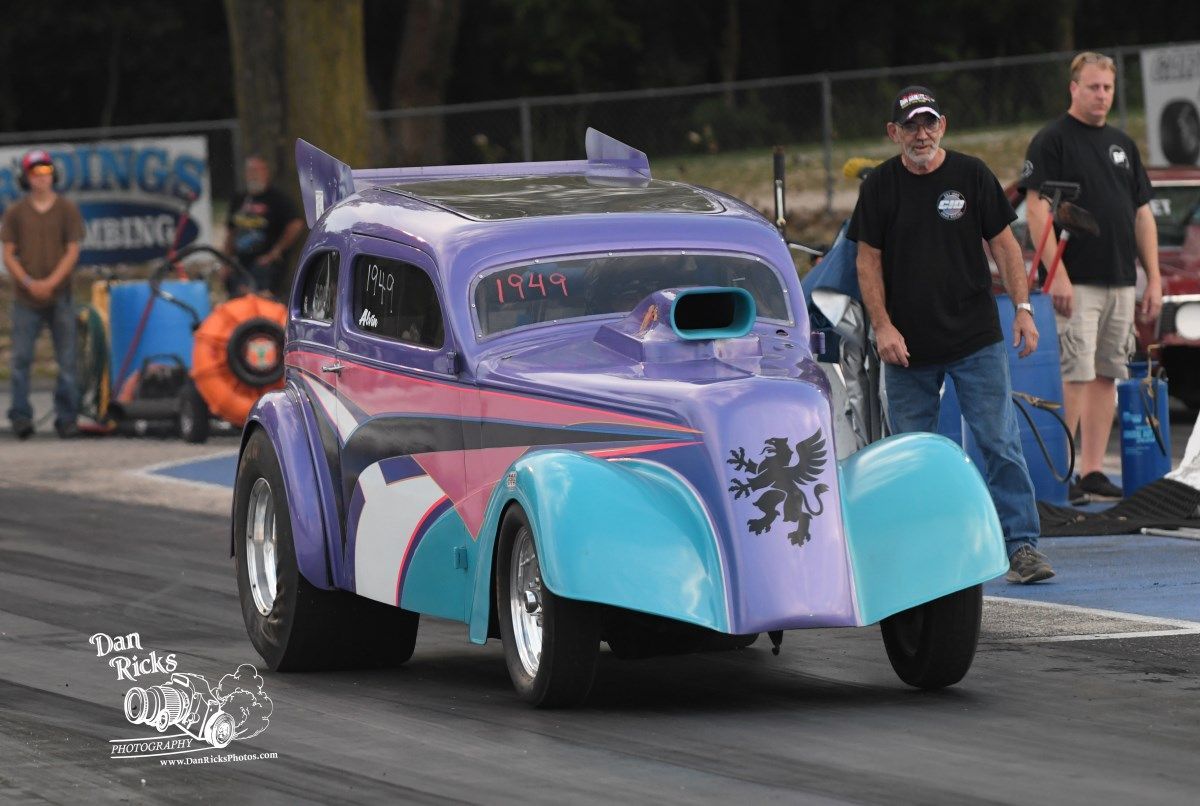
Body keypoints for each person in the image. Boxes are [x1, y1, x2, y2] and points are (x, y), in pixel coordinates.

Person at [849, 86, 1053, 584]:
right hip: (907, 348)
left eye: (930, 123)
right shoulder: (879, 186)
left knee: (999, 441)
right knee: (911, 453)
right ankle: (919, 551)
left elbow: (1005, 246)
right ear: (893, 132)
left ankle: (1021, 546)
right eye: (911, 126)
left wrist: (1023, 308)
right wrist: (882, 327)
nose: (922, 134)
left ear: (943, 125)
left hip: (975, 339)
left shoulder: (972, 174)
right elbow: (866, 260)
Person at [1020, 52, 1162, 501]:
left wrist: (1153, 278)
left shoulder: (1123, 143)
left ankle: (1093, 471)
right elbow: (1036, 208)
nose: (1102, 95)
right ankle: (1061, 474)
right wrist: (1054, 273)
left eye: (1108, 88)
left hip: (1120, 279)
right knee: (1074, 373)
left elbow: (1142, 214)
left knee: (1107, 373)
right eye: (1094, 86)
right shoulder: (1052, 141)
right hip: (1075, 281)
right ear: (1074, 88)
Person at [2, 149, 86, 440]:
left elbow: (72, 250)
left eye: (47, 172)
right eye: (36, 174)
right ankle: (21, 416)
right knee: (21, 359)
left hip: (60, 295)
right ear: (26, 178)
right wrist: (27, 281)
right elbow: (9, 253)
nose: (42, 178)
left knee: (67, 359)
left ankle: (67, 417)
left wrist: (51, 281)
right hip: (26, 299)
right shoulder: (16, 212)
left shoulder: (66, 210)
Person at [223, 155, 304, 298]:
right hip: (240, 262)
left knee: (259, 297)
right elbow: (231, 231)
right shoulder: (239, 199)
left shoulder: (278, 199)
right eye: (250, 170)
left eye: (257, 170)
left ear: (266, 172)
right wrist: (226, 260)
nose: (253, 175)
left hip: (265, 264)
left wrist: (276, 251)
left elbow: (296, 224)